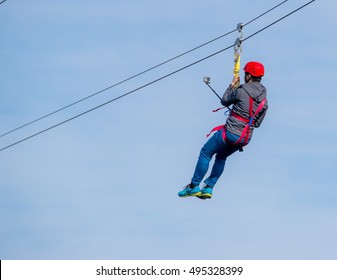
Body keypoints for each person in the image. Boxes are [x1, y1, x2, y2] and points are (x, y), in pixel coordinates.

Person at [178, 61, 268, 199]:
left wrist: (232, 85)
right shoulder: (264, 101)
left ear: (249, 75)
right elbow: (257, 124)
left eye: (245, 74)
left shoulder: (241, 90)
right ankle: (208, 188)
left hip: (230, 133)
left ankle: (193, 186)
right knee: (221, 157)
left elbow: (225, 100)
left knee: (206, 152)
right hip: (244, 138)